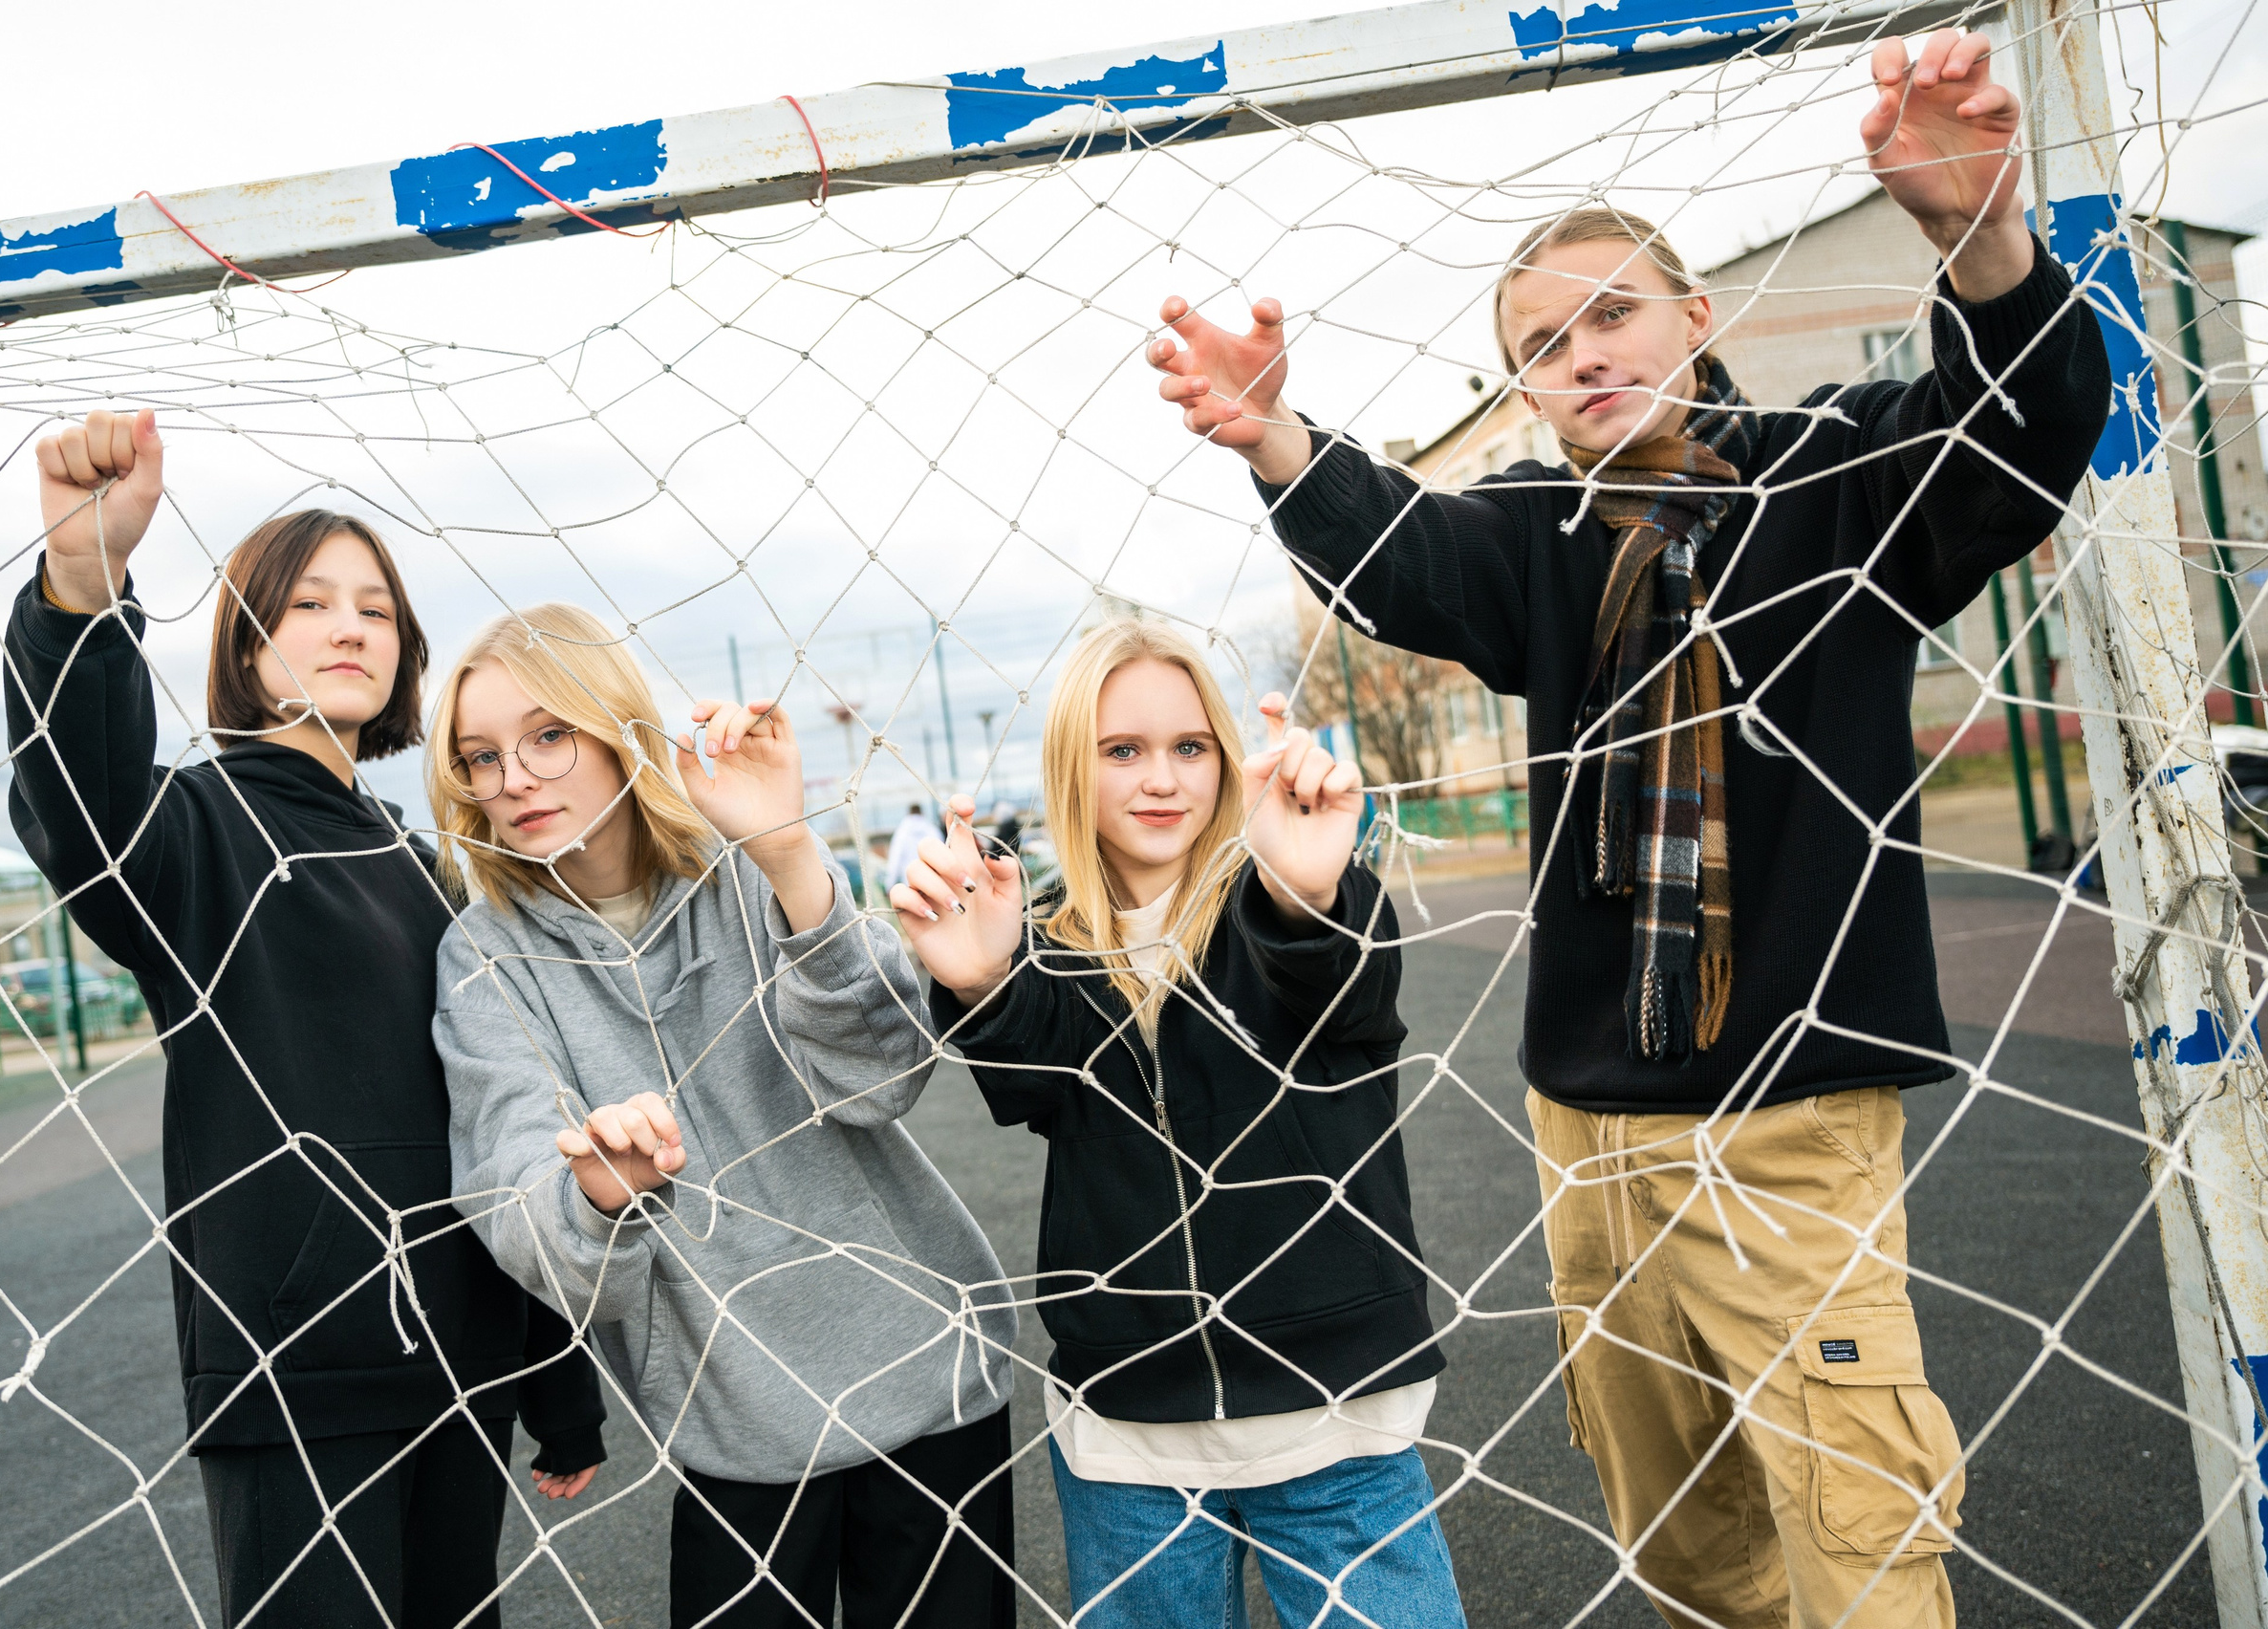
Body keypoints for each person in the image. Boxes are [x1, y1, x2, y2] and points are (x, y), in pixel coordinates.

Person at [1142, 30, 2108, 1629]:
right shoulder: (1532, 533)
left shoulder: (1838, 474)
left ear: (1695, 317)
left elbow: (2015, 435)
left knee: (1857, 1521)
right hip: (1592, 1131)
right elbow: (1404, 552)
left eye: (1611, 313)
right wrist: (1274, 440)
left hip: (1793, 1116)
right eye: (1542, 341)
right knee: (1680, 1534)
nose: (1581, 352)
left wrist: (1980, 236)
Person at [5, 411, 606, 1629]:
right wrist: (84, 577)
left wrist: (555, 1375)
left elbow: (499, 1118)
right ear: (246, 641)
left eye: (374, 609)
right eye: (310, 604)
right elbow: (83, 808)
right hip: (295, 1368)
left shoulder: (425, 861)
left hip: (459, 1359)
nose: (348, 626)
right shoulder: (193, 833)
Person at [428, 602, 1020, 1629]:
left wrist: (792, 857)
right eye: (480, 757)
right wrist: (591, 1195)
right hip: (735, 1424)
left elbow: (882, 1079)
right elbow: (516, 1196)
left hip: (929, 1381)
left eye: (547, 735)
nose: (512, 777)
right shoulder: (483, 955)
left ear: (617, 732)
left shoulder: (747, 865)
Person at [895, 618, 1462, 1629]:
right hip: (1128, 1438)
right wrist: (987, 981)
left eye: (1188, 748)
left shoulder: (1287, 901)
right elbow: (1032, 1087)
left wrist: (1309, 890)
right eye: (1124, 750)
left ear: (1225, 760)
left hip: (1329, 1422)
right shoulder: (1054, 944)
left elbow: (1347, 990)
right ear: (1076, 766)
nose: (1161, 779)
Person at [884, 801, 940, 889]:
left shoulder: (902, 832)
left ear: (909, 813)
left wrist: (889, 884)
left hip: (909, 881)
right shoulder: (932, 829)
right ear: (922, 812)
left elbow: (895, 858)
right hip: (931, 879)